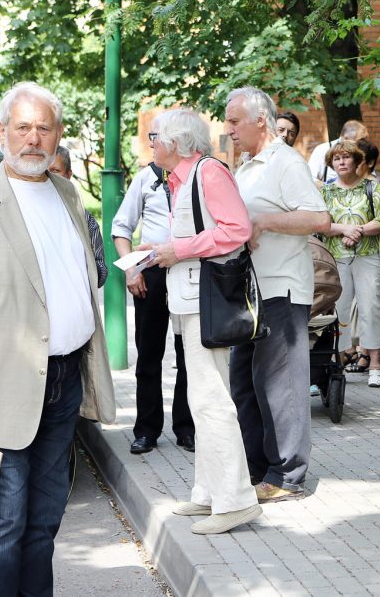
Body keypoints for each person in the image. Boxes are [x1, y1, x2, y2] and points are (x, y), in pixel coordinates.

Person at [0, 82, 116, 594]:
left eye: (44, 127)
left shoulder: (67, 194)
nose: (33, 138)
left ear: (57, 135)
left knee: (43, 522)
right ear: (3, 132)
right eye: (22, 127)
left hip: (63, 381)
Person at [139, 108, 262, 535]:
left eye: (156, 135)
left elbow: (237, 229)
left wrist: (180, 249)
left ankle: (235, 500)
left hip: (204, 300)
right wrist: (165, 248)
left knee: (210, 399)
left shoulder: (208, 172)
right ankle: (208, 493)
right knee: (202, 397)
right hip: (190, 299)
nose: (151, 142)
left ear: (175, 142)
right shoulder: (183, 177)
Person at [226, 87, 331, 503]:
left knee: (281, 388)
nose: (229, 128)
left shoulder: (286, 162)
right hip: (251, 293)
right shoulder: (248, 165)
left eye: (235, 121)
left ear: (260, 121)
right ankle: (257, 470)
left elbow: (319, 217)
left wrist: (265, 221)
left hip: (282, 290)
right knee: (245, 384)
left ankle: (287, 475)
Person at [111, 152, 194, 455]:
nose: (156, 144)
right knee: (148, 354)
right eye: (154, 138)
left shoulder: (197, 174)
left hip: (189, 270)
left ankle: (188, 428)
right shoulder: (146, 178)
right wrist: (131, 269)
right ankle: (146, 430)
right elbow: (121, 227)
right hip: (151, 272)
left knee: (190, 354)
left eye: (161, 138)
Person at [320, 140, 380, 388]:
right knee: (336, 310)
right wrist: (345, 230)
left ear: (356, 160)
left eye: (346, 157)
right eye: (336, 158)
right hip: (336, 257)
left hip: (367, 255)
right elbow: (321, 224)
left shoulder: (372, 187)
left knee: (370, 305)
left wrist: (358, 231)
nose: (340, 162)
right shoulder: (326, 191)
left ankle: (374, 364)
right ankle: (335, 361)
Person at [50, 145, 108, 287]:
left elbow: (101, 271)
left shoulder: (84, 218)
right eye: (44, 171)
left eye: (55, 171)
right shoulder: (27, 211)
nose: (49, 176)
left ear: (69, 174)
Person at [308, 119, 369, 184]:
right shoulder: (322, 150)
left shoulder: (363, 150)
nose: (362, 144)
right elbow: (310, 178)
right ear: (345, 138)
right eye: (359, 141)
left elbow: (371, 177)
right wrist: (331, 189)